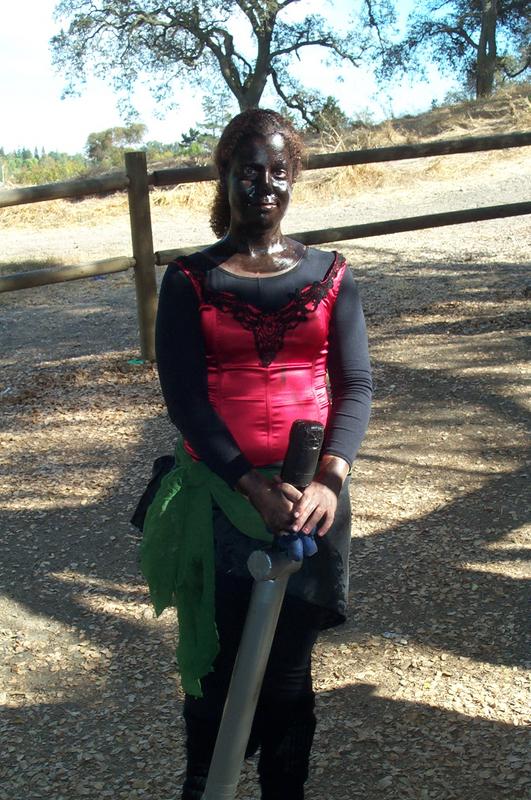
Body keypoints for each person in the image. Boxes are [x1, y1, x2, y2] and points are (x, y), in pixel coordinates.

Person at [140, 108, 372, 800]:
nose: (264, 184)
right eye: (249, 171)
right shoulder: (190, 280)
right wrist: (249, 483)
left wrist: (329, 481)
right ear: (226, 177)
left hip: (310, 503)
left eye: (278, 171)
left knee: (288, 673)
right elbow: (186, 401)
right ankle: (205, 786)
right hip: (220, 499)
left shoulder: (331, 274)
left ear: (292, 177)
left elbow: (355, 385)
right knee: (215, 668)